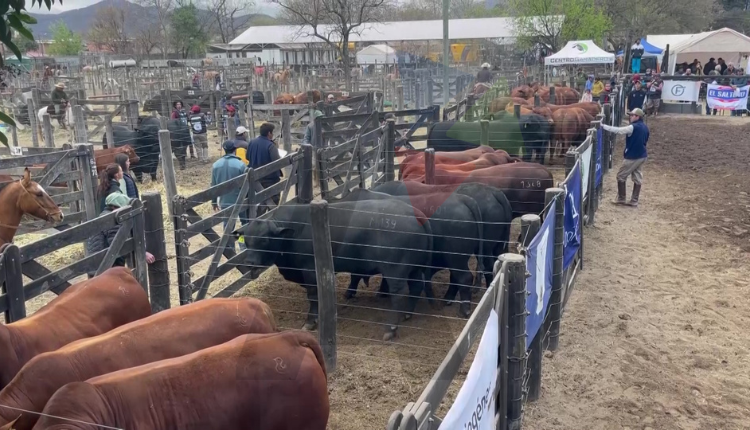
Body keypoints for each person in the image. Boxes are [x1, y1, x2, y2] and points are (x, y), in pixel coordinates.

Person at [87, 193, 155, 278]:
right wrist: (142, 252)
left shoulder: (103, 216)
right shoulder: (112, 221)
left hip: (95, 267)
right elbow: (119, 247)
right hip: (105, 269)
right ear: (116, 207)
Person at [600, 108, 649, 207]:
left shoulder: (632, 127)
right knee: (637, 176)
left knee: (621, 175)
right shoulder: (645, 127)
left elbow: (618, 131)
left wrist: (603, 126)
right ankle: (634, 200)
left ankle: (621, 198)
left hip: (632, 156)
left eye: (632, 115)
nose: (630, 117)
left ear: (637, 116)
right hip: (642, 155)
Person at [211, 140, 248, 251]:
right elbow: (246, 185)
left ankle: (230, 249)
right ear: (235, 150)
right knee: (244, 224)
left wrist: (214, 201)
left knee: (228, 227)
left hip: (225, 201)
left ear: (224, 150)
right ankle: (242, 245)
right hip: (240, 200)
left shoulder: (215, 165)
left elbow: (214, 185)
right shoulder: (241, 165)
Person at [248, 123, 283, 215]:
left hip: (255, 178)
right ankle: (271, 220)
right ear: (269, 133)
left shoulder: (251, 142)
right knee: (273, 203)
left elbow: (247, 157)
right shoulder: (270, 146)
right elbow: (277, 162)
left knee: (260, 201)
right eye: (272, 132)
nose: (273, 134)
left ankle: (259, 220)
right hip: (270, 179)